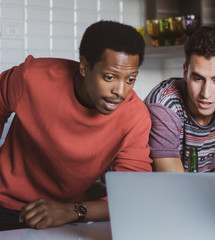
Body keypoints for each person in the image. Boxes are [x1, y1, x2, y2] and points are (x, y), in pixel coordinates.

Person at [0, 20, 152, 231]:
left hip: (66, 215)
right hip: (3, 203)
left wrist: (73, 210)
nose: (120, 91)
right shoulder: (31, 77)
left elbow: (132, 194)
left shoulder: (135, 117)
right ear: (84, 67)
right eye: (110, 77)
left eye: (130, 79)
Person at [144, 26, 215, 207]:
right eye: (198, 78)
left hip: (203, 209)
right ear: (185, 72)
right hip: (154, 207)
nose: (206, 93)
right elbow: (176, 191)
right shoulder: (164, 105)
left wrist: (197, 188)